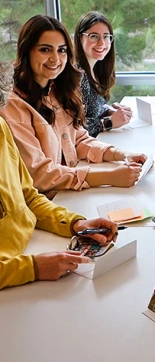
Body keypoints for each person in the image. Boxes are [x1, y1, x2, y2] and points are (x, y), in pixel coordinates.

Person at [0, 60, 119, 290]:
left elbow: (29, 199)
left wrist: (76, 223)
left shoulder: (2, 129)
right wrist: (33, 268)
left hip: (34, 246)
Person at [0, 15, 146, 198]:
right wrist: (109, 176)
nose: (55, 59)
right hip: (40, 207)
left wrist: (121, 155)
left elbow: (77, 140)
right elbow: (39, 174)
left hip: (67, 193)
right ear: (26, 51)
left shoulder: (55, 89)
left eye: (62, 50)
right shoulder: (12, 103)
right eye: (45, 50)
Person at [74, 11, 132, 137]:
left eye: (106, 36)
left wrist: (108, 110)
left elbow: (91, 109)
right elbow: (73, 127)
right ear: (80, 37)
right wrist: (109, 122)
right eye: (94, 36)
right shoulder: (77, 74)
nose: (101, 43)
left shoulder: (97, 68)